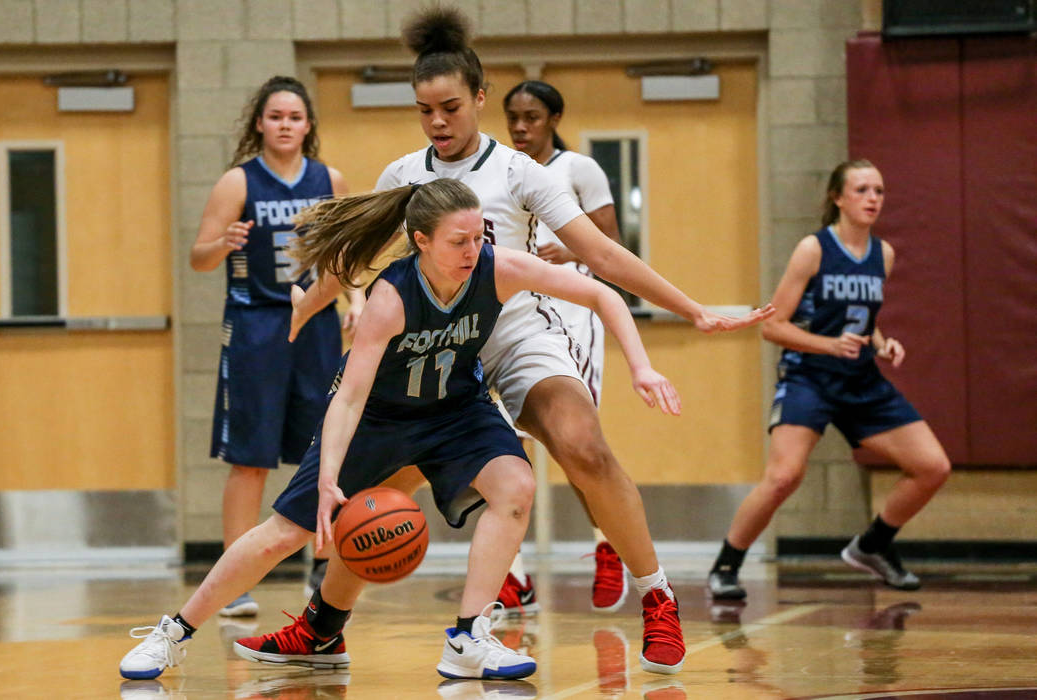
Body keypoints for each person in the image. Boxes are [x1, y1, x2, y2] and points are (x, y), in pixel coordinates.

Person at [255, 4, 774, 676]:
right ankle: (323, 626)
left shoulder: (524, 173)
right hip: (439, 341)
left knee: (581, 443)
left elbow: (603, 256)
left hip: (515, 329)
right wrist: (302, 312)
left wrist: (691, 308)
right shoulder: (403, 176)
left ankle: (657, 595)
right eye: (424, 110)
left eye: (449, 106)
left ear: (479, 97)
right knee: (382, 490)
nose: (438, 122)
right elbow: (347, 259)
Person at [118, 177, 682, 682]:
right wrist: (328, 481)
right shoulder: (391, 297)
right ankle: (173, 633)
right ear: (422, 243)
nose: (473, 250)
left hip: (456, 411)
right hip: (379, 420)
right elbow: (350, 399)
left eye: (477, 237)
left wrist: (641, 365)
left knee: (516, 486)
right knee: (284, 534)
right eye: (458, 241)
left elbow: (602, 293)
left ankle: (468, 637)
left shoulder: (498, 267)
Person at [706, 159, 951, 600]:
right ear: (838, 197)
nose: (872, 198)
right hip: (809, 377)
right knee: (784, 476)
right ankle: (727, 565)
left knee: (933, 467)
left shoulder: (884, 254)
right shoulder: (813, 249)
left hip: (862, 382)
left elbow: (862, 319)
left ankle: (874, 546)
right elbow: (772, 327)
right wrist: (828, 345)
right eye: (861, 190)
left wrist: (881, 342)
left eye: (878, 190)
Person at [189, 75, 362, 616]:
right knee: (250, 459)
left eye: (294, 117)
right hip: (256, 327)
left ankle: (321, 563)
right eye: (275, 116)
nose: (285, 125)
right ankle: (234, 581)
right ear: (259, 124)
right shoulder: (237, 183)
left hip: (316, 326)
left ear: (307, 125)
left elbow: (347, 251)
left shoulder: (328, 179)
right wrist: (223, 242)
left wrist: (355, 298)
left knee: (327, 450)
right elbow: (199, 256)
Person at [501, 79, 629, 613]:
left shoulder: (580, 170)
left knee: (572, 445)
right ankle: (512, 572)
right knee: (505, 444)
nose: (521, 127)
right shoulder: (500, 170)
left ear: (553, 118)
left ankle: (610, 544)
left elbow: (613, 248)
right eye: (513, 117)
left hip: (574, 315)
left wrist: (567, 251)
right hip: (514, 320)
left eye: (531, 117)